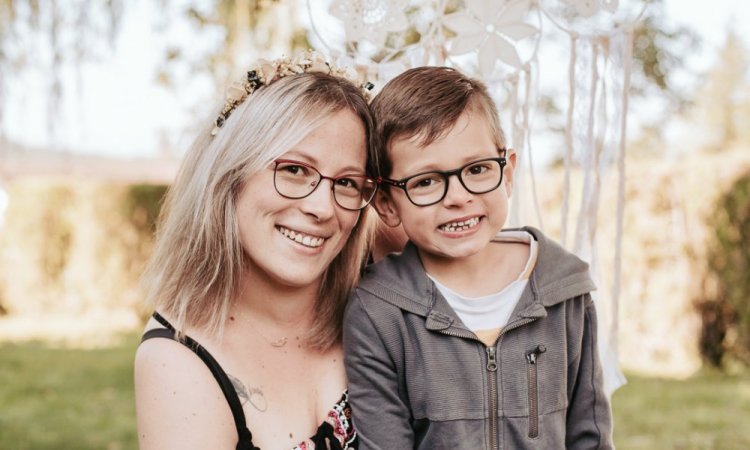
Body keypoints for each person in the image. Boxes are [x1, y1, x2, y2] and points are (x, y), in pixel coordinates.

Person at [343, 66, 613, 449]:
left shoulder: (566, 290)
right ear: (386, 204)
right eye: (426, 181)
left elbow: (591, 435)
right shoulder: (377, 311)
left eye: (478, 169)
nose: (458, 196)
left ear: (508, 173)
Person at [134, 50, 379, 450]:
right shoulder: (179, 362)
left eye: (348, 183)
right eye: (295, 170)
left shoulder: (378, 312)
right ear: (231, 176)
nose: (322, 207)